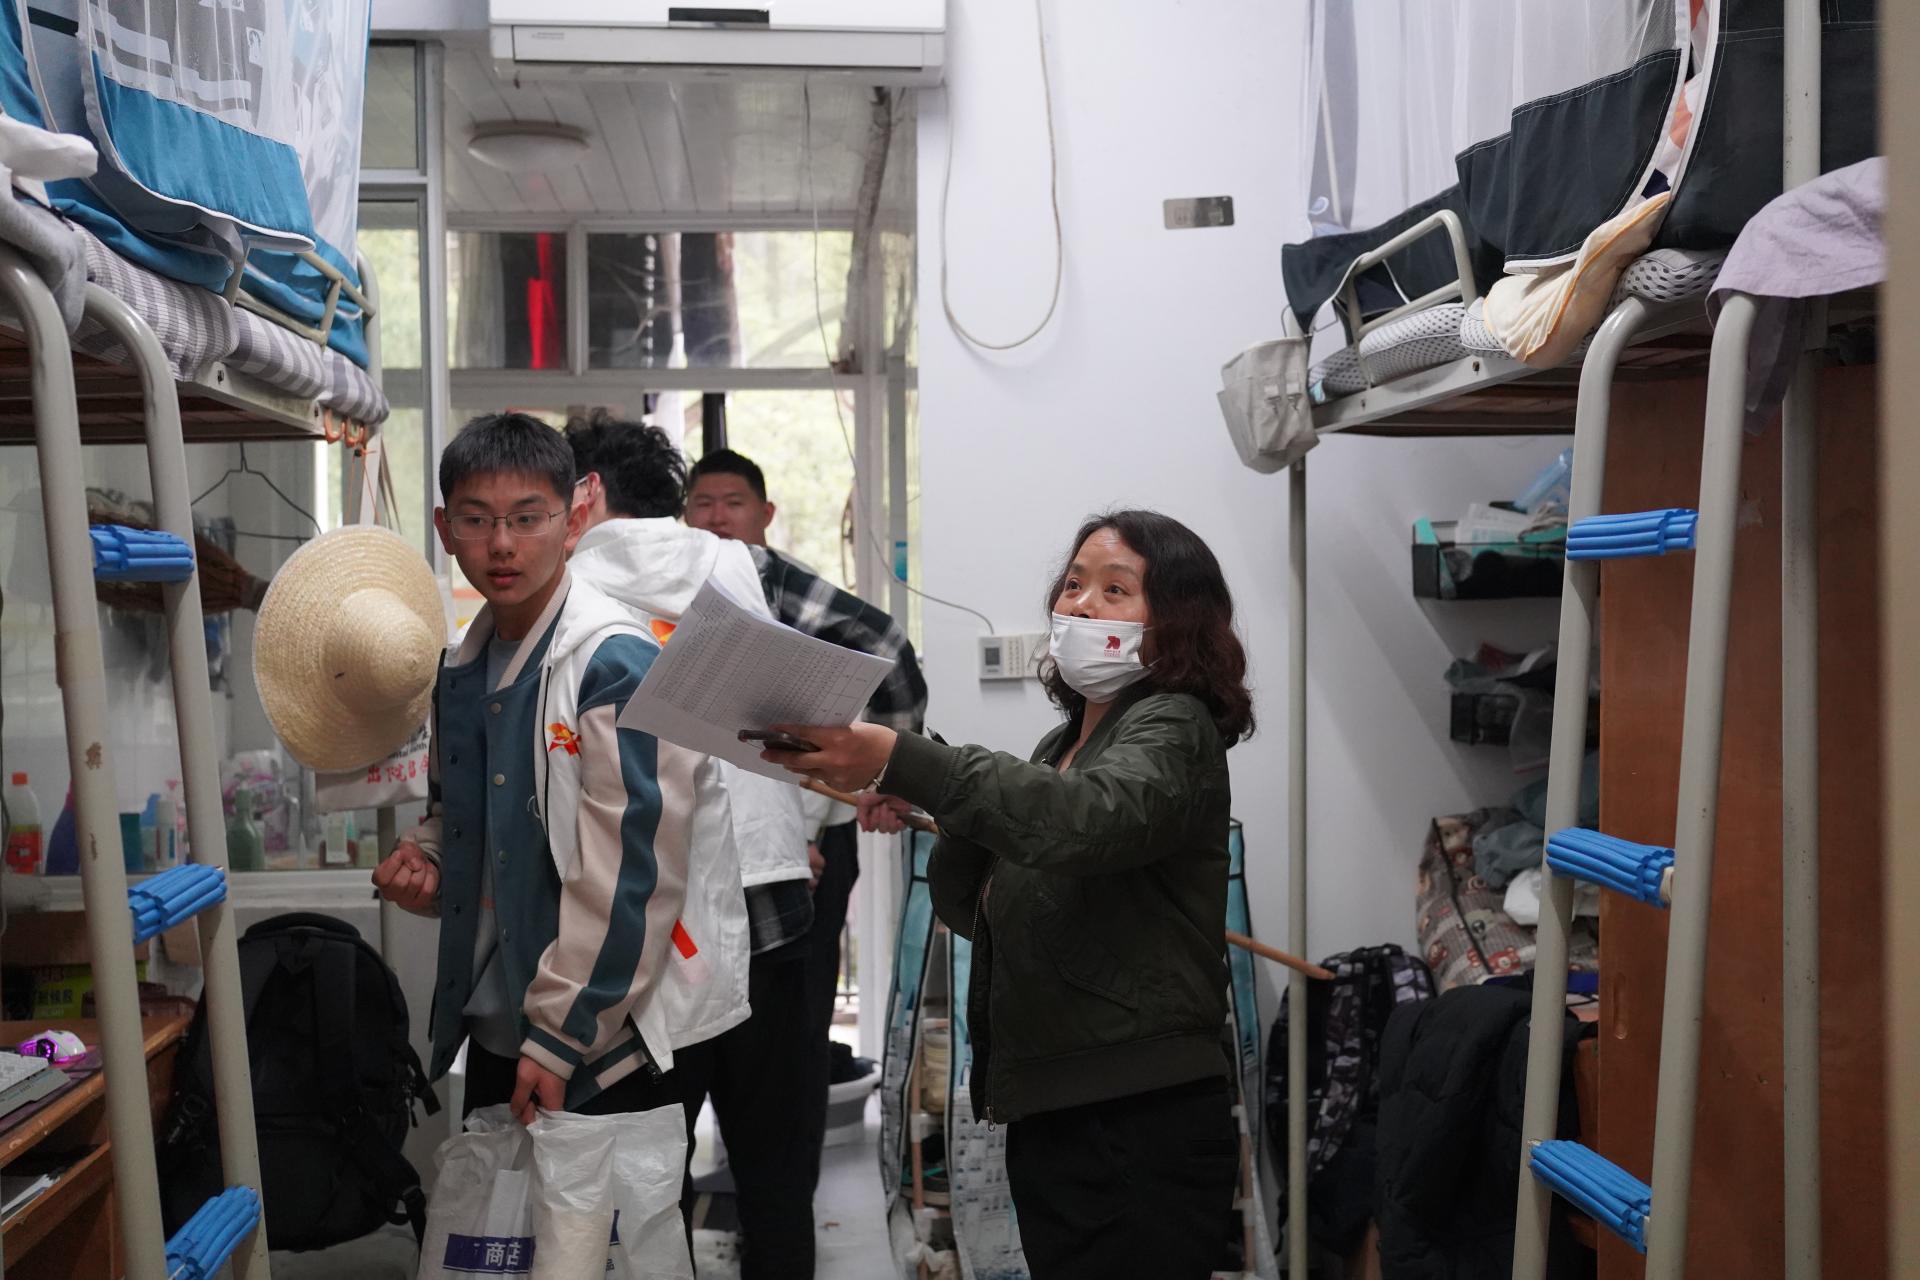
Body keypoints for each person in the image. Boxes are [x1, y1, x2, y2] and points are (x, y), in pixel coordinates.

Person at [761, 510, 1255, 1280]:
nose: (1081, 604)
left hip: (1137, 1113)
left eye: (1115, 590)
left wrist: (909, 761)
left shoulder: (1176, 726)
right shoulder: (1061, 748)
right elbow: (984, 906)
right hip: (1056, 1108)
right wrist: (925, 795)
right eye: (1074, 584)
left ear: (1177, 621)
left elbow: (1083, 822)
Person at [373, 413, 747, 1149]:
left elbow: (631, 868)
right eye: (477, 520)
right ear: (445, 530)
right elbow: (468, 815)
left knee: (605, 1219)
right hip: (504, 1019)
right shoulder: (462, 667)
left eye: (527, 518)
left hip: (605, 1034)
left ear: (573, 520)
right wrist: (431, 859)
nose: (501, 544)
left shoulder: (615, 664)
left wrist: (560, 1035)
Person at [565, 413, 819, 1279]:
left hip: (655, 912)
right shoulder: (734, 560)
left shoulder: (570, 579)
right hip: (771, 888)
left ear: (585, 494)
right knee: (775, 1158)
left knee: (648, 1165)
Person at [685, 447, 929, 1183]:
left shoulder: (785, 596)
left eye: (733, 503)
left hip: (817, 841)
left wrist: (889, 778)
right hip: (713, 851)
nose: (717, 517)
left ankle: (781, 1178)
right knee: (704, 1026)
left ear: (765, 514)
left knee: (790, 1030)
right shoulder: (677, 599)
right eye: (702, 504)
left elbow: (887, 656)